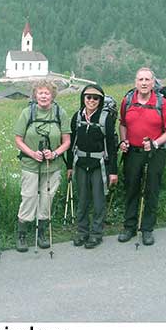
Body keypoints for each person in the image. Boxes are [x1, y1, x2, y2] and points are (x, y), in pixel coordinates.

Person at [118, 68, 166, 246]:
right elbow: (122, 124)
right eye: (140, 79)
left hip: (155, 152)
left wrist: (156, 143)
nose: (144, 83)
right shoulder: (127, 100)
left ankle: (147, 229)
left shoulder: (162, 102)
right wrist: (123, 140)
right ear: (136, 82)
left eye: (147, 80)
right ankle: (129, 226)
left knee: (151, 189)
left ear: (153, 83)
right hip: (133, 151)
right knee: (132, 188)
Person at [14, 78, 71, 252]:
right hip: (30, 164)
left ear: (52, 95)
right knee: (29, 197)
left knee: (47, 198)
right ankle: (22, 235)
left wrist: (54, 153)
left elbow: (67, 141)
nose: (44, 96)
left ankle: (42, 233)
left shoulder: (60, 113)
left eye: (47, 93)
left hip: (52, 165)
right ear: (35, 95)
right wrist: (32, 153)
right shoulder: (27, 113)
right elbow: (18, 139)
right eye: (40, 92)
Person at [66, 84, 118, 248]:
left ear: (100, 100)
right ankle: (82, 232)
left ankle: (96, 234)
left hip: (98, 165)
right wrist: (69, 166)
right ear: (83, 98)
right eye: (88, 97)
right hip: (80, 163)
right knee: (82, 200)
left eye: (96, 98)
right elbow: (71, 142)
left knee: (98, 200)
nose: (91, 100)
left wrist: (113, 172)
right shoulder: (77, 117)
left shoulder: (105, 119)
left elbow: (111, 146)